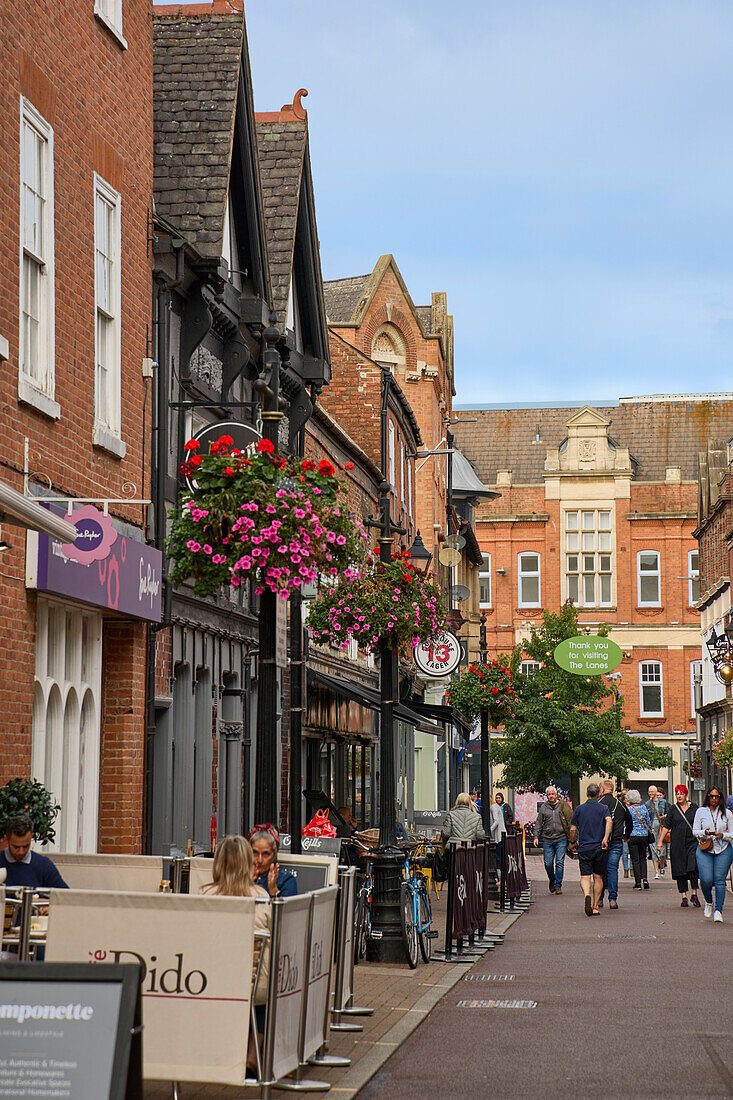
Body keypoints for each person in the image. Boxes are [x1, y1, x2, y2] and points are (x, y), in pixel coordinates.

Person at [201, 835, 270, 1071]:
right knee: (262, 991)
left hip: (212, 982)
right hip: (254, 986)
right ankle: (252, 1055)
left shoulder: (206, 898)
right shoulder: (261, 898)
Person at [569, 783, 612, 916]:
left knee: (585, 875)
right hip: (599, 847)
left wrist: (572, 842)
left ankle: (587, 894)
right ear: (599, 794)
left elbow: (572, 828)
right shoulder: (603, 808)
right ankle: (594, 906)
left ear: (587, 794)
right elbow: (609, 821)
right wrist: (605, 838)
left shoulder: (579, 809)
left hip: (584, 847)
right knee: (598, 876)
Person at [692, 786, 733, 922]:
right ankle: (708, 902)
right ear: (707, 797)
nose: (714, 799)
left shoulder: (727, 813)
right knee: (706, 879)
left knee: (720, 880)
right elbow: (695, 831)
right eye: (711, 796)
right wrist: (704, 833)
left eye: (716, 796)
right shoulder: (701, 811)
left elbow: (732, 834)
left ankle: (718, 910)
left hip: (723, 848)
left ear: (720, 798)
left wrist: (723, 835)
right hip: (706, 848)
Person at [0, 815, 67, 888]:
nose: (21, 852)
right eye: (16, 847)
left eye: (26, 846)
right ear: (6, 839)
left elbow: (64, 896)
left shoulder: (44, 865)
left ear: (31, 836)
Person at [660, 784, 700, 908]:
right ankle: (683, 896)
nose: (679, 796)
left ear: (686, 794)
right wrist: (660, 841)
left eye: (681, 793)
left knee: (693, 867)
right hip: (677, 844)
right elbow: (667, 826)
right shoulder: (673, 809)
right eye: (677, 794)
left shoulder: (694, 808)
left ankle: (694, 894)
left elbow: (700, 823)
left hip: (692, 842)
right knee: (680, 869)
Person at [598, 780, 633, 910]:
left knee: (600, 870)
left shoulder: (599, 803)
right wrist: (627, 835)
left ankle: (599, 899)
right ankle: (612, 899)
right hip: (617, 841)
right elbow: (629, 821)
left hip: (601, 842)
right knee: (613, 869)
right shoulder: (620, 804)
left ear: (602, 790)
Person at [533, 786, 572, 895]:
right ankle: (552, 879)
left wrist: (572, 838)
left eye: (552, 794)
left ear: (556, 795)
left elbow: (570, 820)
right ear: (546, 796)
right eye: (548, 794)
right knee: (548, 863)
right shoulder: (544, 807)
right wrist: (536, 836)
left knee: (559, 862)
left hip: (561, 838)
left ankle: (558, 886)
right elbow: (539, 823)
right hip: (547, 839)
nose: (550, 796)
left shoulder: (563, 805)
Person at [247, 824, 297, 897]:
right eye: (255, 853)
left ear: (274, 855)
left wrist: (274, 891)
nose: (260, 860)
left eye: (266, 854)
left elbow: (290, 908)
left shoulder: (286, 880)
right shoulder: (239, 876)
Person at [625, 790, 653, 890]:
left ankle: (637, 882)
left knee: (635, 859)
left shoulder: (628, 809)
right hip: (644, 835)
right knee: (643, 857)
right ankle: (645, 879)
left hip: (632, 836)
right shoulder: (644, 808)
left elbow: (626, 824)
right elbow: (648, 822)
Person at [644, 785, 669, 878]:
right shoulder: (647, 804)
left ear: (655, 792)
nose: (650, 793)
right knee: (653, 849)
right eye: (649, 792)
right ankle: (656, 872)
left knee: (662, 851)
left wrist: (665, 817)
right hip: (652, 829)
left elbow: (668, 813)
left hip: (662, 828)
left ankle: (661, 866)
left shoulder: (663, 802)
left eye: (652, 791)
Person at [490, 793, 507, 878]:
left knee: (498, 857)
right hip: (501, 834)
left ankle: (500, 877)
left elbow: (496, 821)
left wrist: (489, 830)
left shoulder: (493, 807)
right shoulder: (496, 806)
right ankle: (501, 877)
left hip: (499, 836)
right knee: (499, 856)